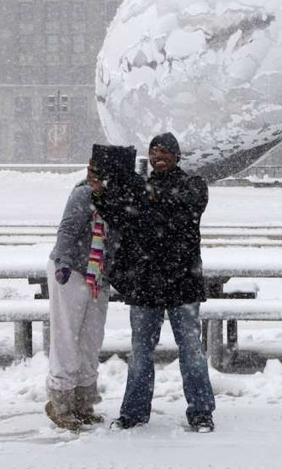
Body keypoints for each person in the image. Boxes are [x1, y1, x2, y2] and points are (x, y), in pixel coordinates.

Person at [97, 132, 216, 433]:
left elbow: (184, 206)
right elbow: (117, 215)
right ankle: (134, 412)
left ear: (177, 156)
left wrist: (142, 191)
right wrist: (100, 192)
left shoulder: (193, 185)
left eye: (165, 151)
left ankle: (201, 411)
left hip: (182, 282)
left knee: (191, 350)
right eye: (153, 151)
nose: (158, 156)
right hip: (146, 283)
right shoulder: (141, 188)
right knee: (140, 352)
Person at [44, 147, 125, 430]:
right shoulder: (82, 195)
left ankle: (83, 400)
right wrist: (63, 262)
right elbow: (66, 230)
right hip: (72, 272)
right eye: (91, 171)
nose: (93, 178)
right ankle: (60, 401)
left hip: (98, 276)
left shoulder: (118, 200)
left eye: (99, 172)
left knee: (91, 339)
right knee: (66, 336)